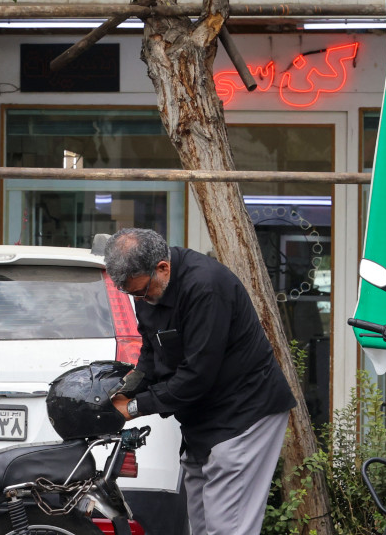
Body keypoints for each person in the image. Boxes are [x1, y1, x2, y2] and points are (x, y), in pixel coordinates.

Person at [104, 228, 293, 535]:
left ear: (163, 268)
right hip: (201, 417)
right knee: (201, 523)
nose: (140, 299)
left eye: (142, 292)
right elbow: (151, 350)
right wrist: (127, 388)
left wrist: (135, 407)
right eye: (132, 295)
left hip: (245, 411)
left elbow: (197, 375)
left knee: (228, 527)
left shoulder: (206, 287)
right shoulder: (147, 287)